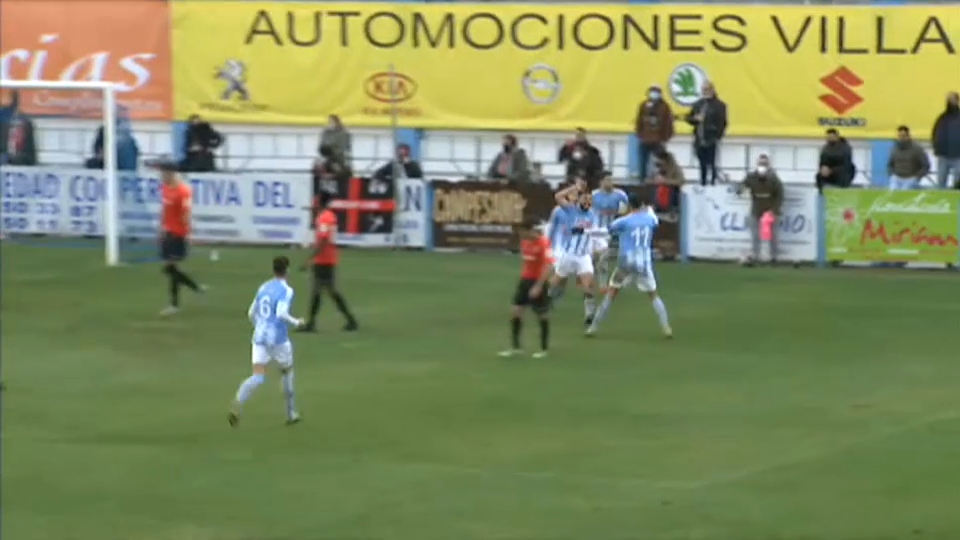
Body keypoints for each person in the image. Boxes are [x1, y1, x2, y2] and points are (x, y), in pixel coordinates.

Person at [229, 255, 303, 428]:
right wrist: (297, 321)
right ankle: (291, 413)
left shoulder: (263, 287)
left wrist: (260, 326)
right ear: (287, 270)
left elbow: (250, 313)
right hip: (278, 339)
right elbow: (281, 313)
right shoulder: (286, 290)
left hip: (259, 337)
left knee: (258, 376)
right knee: (286, 372)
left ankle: (238, 402)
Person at [586, 193, 672, 339]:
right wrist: (648, 208)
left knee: (612, 293)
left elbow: (604, 232)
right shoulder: (650, 218)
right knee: (653, 295)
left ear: (629, 205)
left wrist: (585, 231)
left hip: (626, 262)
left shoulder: (624, 221)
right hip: (643, 263)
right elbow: (653, 217)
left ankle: (593, 328)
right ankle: (666, 327)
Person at [298, 191, 359, 332]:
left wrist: (311, 258)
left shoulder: (324, 218)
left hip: (324, 259)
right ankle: (350, 320)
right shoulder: (328, 216)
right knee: (329, 291)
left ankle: (312, 324)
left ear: (320, 201)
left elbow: (324, 239)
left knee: (319, 291)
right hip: (328, 258)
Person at [154, 159, 205, 316]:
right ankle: (194, 290)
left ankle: (180, 300)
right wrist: (161, 228)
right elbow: (164, 210)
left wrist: (187, 234)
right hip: (168, 232)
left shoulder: (183, 191)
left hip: (178, 233)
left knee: (170, 268)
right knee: (171, 268)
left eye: (163, 173)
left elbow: (186, 213)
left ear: (171, 173)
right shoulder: (165, 188)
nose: (161, 176)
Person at [498, 219, 554, 359]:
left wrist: (538, 286)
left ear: (529, 230)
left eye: (522, 232)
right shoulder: (524, 242)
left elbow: (548, 267)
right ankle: (516, 347)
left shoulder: (543, 243)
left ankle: (544, 349)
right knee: (516, 311)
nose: (520, 235)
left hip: (538, 281)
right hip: (525, 280)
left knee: (542, 314)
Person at [549, 181, 598, 326]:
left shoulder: (593, 215)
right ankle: (545, 299)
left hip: (583, 256)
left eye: (590, 199)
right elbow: (558, 196)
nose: (588, 201)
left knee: (588, 285)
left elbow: (593, 234)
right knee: (555, 284)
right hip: (568, 255)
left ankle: (589, 315)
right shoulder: (571, 210)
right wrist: (574, 188)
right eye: (585, 198)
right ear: (579, 198)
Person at [737, 154, 784, 266]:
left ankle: (774, 258)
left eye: (765, 164)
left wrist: (774, 209)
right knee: (755, 234)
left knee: (772, 235)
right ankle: (755, 256)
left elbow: (780, 195)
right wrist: (740, 189)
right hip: (756, 208)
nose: (762, 166)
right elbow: (742, 187)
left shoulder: (774, 178)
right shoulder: (751, 177)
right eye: (761, 164)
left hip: (770, 209)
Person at [590, 171, 629, 294]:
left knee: (608, 257)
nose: (610, 182)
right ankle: (599, 283)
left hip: (613, 230)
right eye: (607, 180)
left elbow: (627, 210)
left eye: (611, 180)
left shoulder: (620, 195)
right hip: (597, 231)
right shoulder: (594, 195)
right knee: (597, 258)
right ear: (601, 182)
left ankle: (605, 284)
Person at [685, 82, 728, 186]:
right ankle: (703, 183)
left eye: (708, 89)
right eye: (704, 89)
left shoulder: (719, 105)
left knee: (712, 163)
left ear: (713, 90)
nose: (706, 92)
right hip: (699, 138)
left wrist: (717, 136)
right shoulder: (698, 104)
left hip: (712, 138)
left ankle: (713, 183)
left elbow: (723, 122)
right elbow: (688, 118)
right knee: (702, 163)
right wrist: (695, 119)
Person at [634, 85, 674, 180]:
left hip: (658, 140)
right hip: (644, 139)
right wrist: (639, 134)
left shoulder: (665, 106)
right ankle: (642, 180)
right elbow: (639, 120)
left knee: (660, 163)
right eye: (652, 92)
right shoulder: (644, 105)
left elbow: (668, 123)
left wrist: (665, 138)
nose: (654, 94)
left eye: (656, 92)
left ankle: (660, 180)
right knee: (642, 162)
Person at [931, 92, 960, 189]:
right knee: (941, 183)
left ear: (957, 101)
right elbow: (935, 133)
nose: (949, 101)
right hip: (943, 156)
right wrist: (936, 148)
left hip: (958, 156)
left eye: (952, 99)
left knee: (957, 184)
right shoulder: (942, 118)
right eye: (948, 99)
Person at [888, 125, 931, 190]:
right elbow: (890, 164)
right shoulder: (894, 149)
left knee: (904, 193)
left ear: (908, 136)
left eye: (903, 136)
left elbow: (926, 165)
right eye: (899, 136)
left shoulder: (917, 149)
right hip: (896, 177)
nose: (901, 138)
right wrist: (892, 174)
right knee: (892, 192)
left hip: (911, 178)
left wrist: (917, 177)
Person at [815, 129, 855, 193]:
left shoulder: (845, 148)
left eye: (832, 137)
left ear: (837, 137)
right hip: (828, 171)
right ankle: (822, 193)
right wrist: (823, 168)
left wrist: (832, 171)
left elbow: (846, 164)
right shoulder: (825, 148)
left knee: (842, 175)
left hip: (842, 171)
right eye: (828, 137)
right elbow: (823, 161)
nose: (830, 139)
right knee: (819, 176)